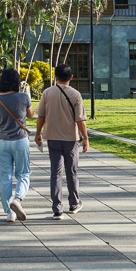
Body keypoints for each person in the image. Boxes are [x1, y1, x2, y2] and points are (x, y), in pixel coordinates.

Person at [35, 63, 89, 220]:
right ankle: (74, 203)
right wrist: (85, 138)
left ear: (55, 77)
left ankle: (57, 208)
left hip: (52, 138)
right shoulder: (76, 94)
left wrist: (38, 133)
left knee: (56, 173)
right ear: (71, 77)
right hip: (70, 139)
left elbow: (41, 116)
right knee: (72, 172)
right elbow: (80, 120)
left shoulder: (47, 93)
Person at [0, 68, 33, 222]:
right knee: (23, 174)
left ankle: (9, 212)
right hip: (20, 140)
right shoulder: (23, 97)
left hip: (2, 142)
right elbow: (31, 114)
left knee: (4, 177)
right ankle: (17, 200)